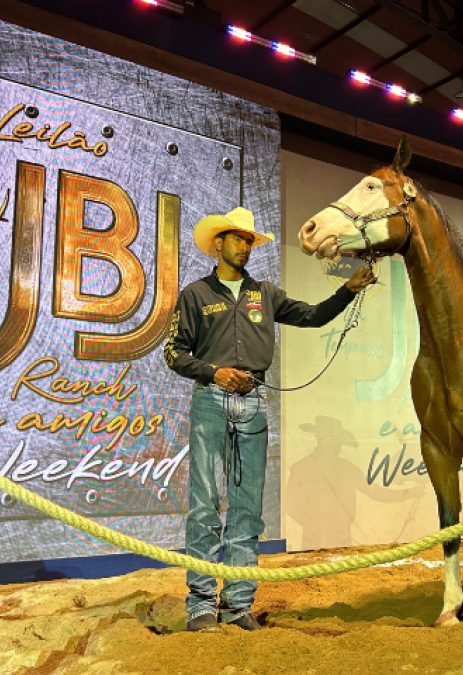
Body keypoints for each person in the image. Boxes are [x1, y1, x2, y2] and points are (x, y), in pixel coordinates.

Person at [163, 206, 375, 632]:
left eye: (249, 241)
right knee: (205, 503)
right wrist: (214, 371)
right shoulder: (194, 295)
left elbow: (312, 316)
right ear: (218, 243)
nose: (245, 247)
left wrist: (349, 290)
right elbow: (173, 352)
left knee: (247, 509)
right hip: (212, 399)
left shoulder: (266, 293)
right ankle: (202, 605)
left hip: (254, 401)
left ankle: (239, 604)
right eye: (238, 239)